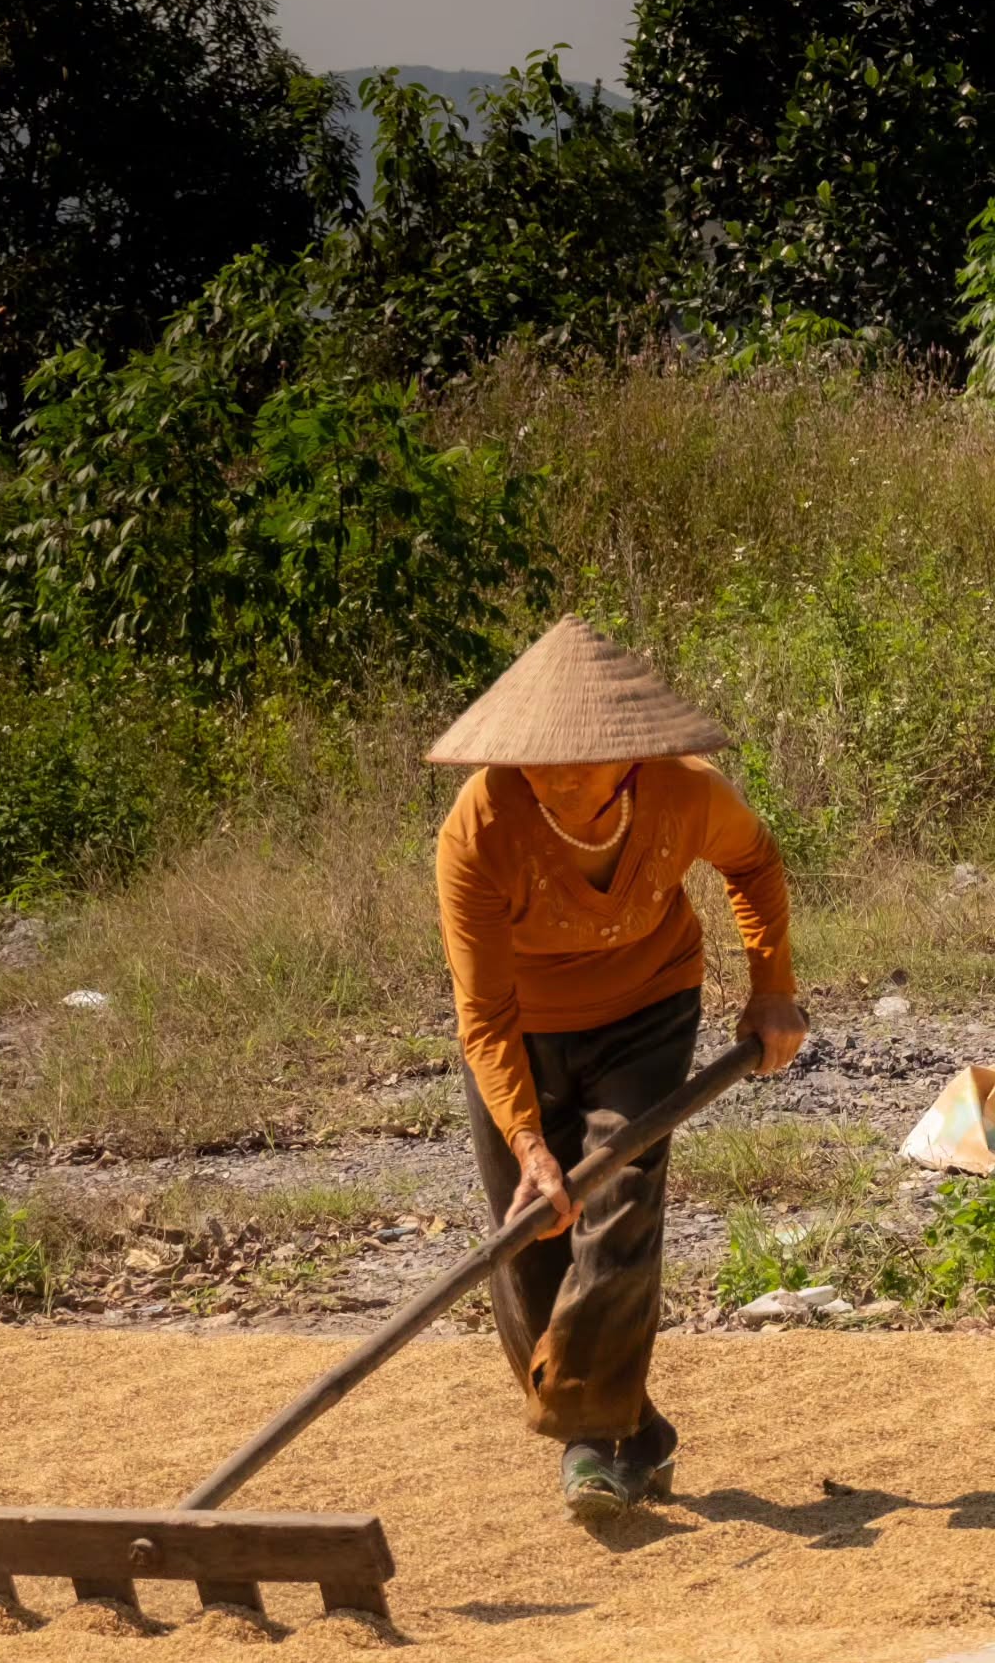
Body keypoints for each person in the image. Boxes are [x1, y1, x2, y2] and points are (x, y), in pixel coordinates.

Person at [431, 615, 806, 1518]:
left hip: (647, 1008)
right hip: (521, 1030)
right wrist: (527, 1142)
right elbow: (483, 1011)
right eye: (535, 760)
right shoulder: (479, 827)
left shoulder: (684, 795)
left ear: (629, 758)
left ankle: (590, 1443)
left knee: (620, 1195)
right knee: (530, 1229)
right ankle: (634, 1431)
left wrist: (771, 989)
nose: (553, 775)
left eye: (578, 759)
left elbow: (753, 863)